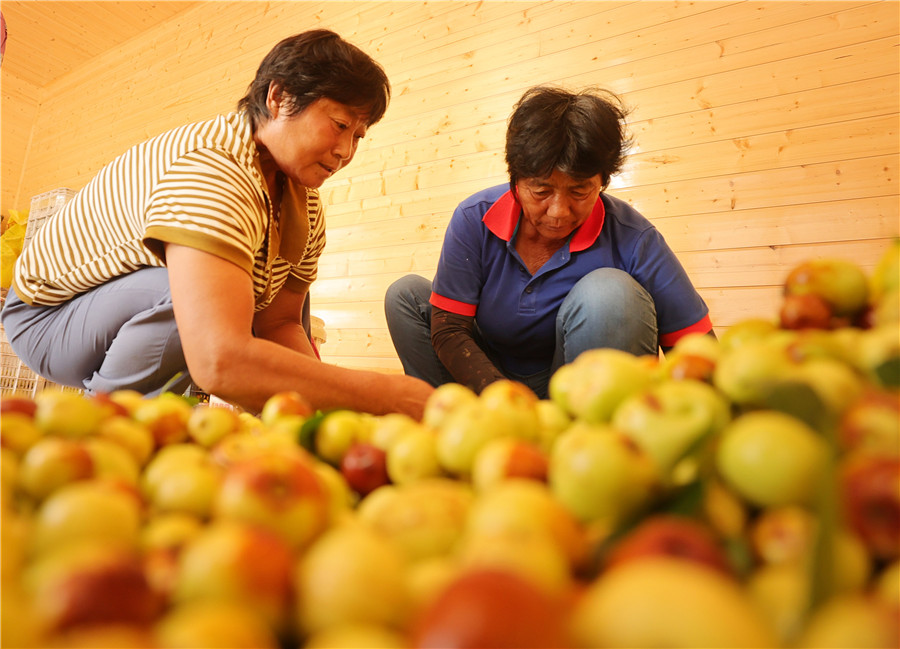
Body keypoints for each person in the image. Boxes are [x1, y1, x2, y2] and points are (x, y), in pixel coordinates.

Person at [2, 29, 433, 418]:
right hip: (47, 315)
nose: (345, 151)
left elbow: (278, 325)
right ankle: (107, 426)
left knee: (282, 311)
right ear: (278, 98)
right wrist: (383, 395)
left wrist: (323, 418)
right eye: (339, 125)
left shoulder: (308, 207)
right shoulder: (212, 168)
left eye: (358, 135)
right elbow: (218, 359)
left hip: (121, 311)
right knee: (189, 296)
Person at [384, 85, 713, 400]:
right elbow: (449, 327)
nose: (558, 212)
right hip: (488, 381)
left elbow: (697, 350)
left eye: (579, 191)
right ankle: (453, 427)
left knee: (612, 294)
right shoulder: (475, 218)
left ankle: (589, 439)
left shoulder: (633, 237)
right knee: (406, 296)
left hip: (576, 388)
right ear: (514, 179)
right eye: (541, 190)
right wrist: (505, 399)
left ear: (603, 184)